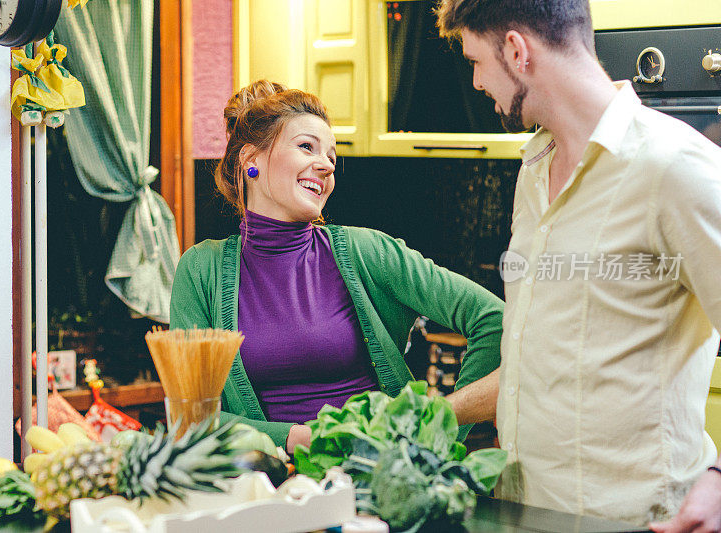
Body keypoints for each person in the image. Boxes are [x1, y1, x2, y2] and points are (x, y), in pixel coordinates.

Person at [436, 0, 721, 528]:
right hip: (525, 510)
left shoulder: (674, 167)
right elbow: (543, 364)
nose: (475, 82)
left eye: (476, 61)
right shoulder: (533, 169)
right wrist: (433, 415)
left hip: (634, 520)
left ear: (517, 51)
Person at [169, 80, 504, 454]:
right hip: (262, 487)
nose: (326, 165)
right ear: (251, 160)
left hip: (374, 481)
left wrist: (437, 434)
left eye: (331, 154)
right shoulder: (200, 271)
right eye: (306, 147)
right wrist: (297, 439)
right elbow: (189, 416)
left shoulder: (368, 252)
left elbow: (494, 320)